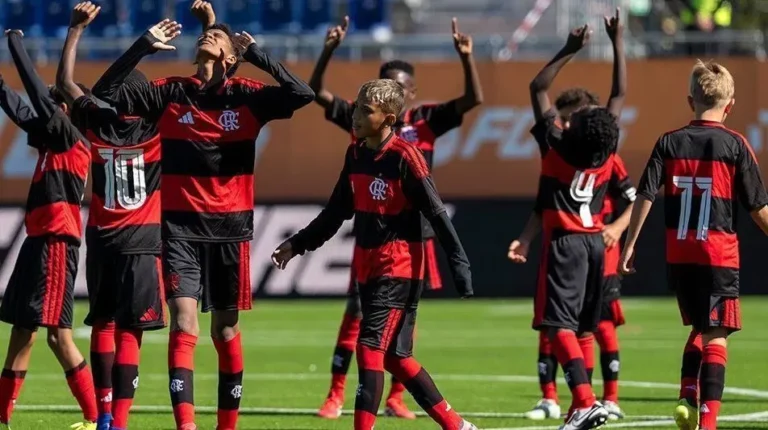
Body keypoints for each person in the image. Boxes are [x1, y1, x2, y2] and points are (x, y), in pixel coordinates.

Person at [91, 14, 313, 430]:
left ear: (230, 57)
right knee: (185, 322)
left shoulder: (247, 96)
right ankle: (187, 426)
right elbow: (106, 91)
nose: (209, 36)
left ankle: (226, 426)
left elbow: (302, 94)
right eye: (207, 33)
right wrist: (143, 45)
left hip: (231, 230)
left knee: (225, 331)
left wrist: (259, 56)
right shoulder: (172, 92)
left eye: (219, 38)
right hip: (179, 230)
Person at [271, 79, 477, 430]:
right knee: (397, 358)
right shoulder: (355, 154)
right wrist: (298, 243)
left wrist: (459, 264)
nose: (355, 115)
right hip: (368, 266)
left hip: (398, 267)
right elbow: (336, 211)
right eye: (357, 107)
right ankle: (458, 426)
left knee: (369, 348)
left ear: (388, 119)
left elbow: (437, 213)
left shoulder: (405, 158)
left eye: (366, 110)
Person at [308, 15, 483, 419]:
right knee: (371, 328)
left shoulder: (421, 128)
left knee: (382, 340)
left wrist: (466, 58)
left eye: (400, 87)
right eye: (387, 84)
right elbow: (317, 93)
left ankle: (394, 399)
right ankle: (336, 394)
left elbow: (472, 101)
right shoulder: (360, 133)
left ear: (407, 96)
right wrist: (328, 50)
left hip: (407, 245)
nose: (393, 90)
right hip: (372, 239)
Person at [619, 60, 768, 430]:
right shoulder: (735, 144)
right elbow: (758, 208)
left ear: (691, 100)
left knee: (701, 326)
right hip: (717, 252)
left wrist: (630, 243)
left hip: (681, 253)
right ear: (730, 104)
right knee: (717, 334)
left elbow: (645, 194)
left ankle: (687, 393)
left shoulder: (668, 142)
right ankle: (709, 421)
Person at [509, 9, 631, 422]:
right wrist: (617, 41)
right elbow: (618, 95)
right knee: (581, 330)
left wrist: (569, 48)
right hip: (596, 243)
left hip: (565, 245)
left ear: (573, 127)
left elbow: (537, 86)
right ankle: (587, 399)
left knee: (556, 325)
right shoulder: (606, 151)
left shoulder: (555, 147)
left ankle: (581, 401)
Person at [56, 3, 172, 429]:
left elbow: (66, 83)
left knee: (102, 323)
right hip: (142, 240)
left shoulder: (93, 124)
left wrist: (75, 30)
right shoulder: (159, 126)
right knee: (130, 332)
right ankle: (120, 422)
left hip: (102, 237)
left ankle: (103, 417)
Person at [0, 30, 98, 430]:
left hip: (57, 243)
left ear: (67, 113)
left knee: (58, 336)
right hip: (37, 243)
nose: (50, 110)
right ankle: (2, 416)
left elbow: (39, 97)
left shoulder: (73, 141)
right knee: (22, 332)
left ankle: (96, 417)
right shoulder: (49, 145)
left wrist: (15, 43)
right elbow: (21, 109)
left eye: (58, 105)